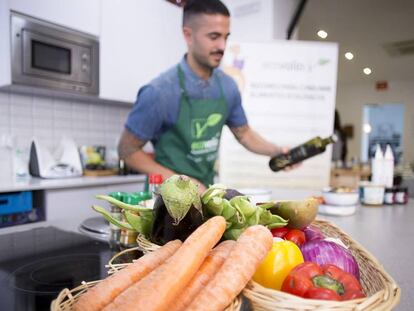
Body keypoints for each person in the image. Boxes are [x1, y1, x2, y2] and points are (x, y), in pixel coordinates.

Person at [118, 0, 286, 192]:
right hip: (167, 198)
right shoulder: (159, 92)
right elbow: (127, 151)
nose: (222, 46)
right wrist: (183, 183)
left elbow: (245, 134)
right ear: (188, 35)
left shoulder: (228, 86)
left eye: (225, 37)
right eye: (214, 37)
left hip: (206, 191)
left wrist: (277, 151)